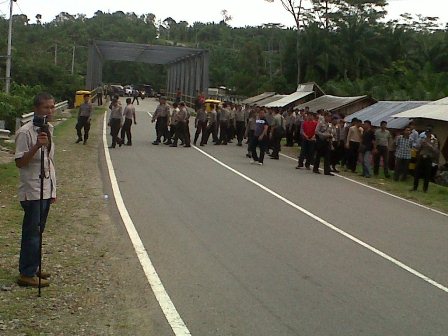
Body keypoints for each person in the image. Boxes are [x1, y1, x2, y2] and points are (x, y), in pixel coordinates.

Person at [15, 92, 57, 287]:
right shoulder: (25, 132)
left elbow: (49, 161)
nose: (50, 111)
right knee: (31, 232)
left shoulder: (49, 129)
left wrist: (53, 190)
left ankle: (33, 265)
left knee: (39, 231)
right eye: (46, 107)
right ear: (36, 109)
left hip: (45, 188)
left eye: (52, 107)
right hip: (32, 189)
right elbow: (20, 162)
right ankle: (26, 273)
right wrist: (36, 147)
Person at [412, 128, 439, 192]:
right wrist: (420, 144)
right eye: (426, 133)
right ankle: (414, 188)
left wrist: (429, 145)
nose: (427, 134)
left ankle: (425, 189)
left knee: (427, 174)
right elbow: (417, 147)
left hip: (428, 158)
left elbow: (435, 150)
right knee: (417, 173)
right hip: (421, 157)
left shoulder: (434, 140)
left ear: (431, 133)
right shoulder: (422, 139)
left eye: (428, 133)